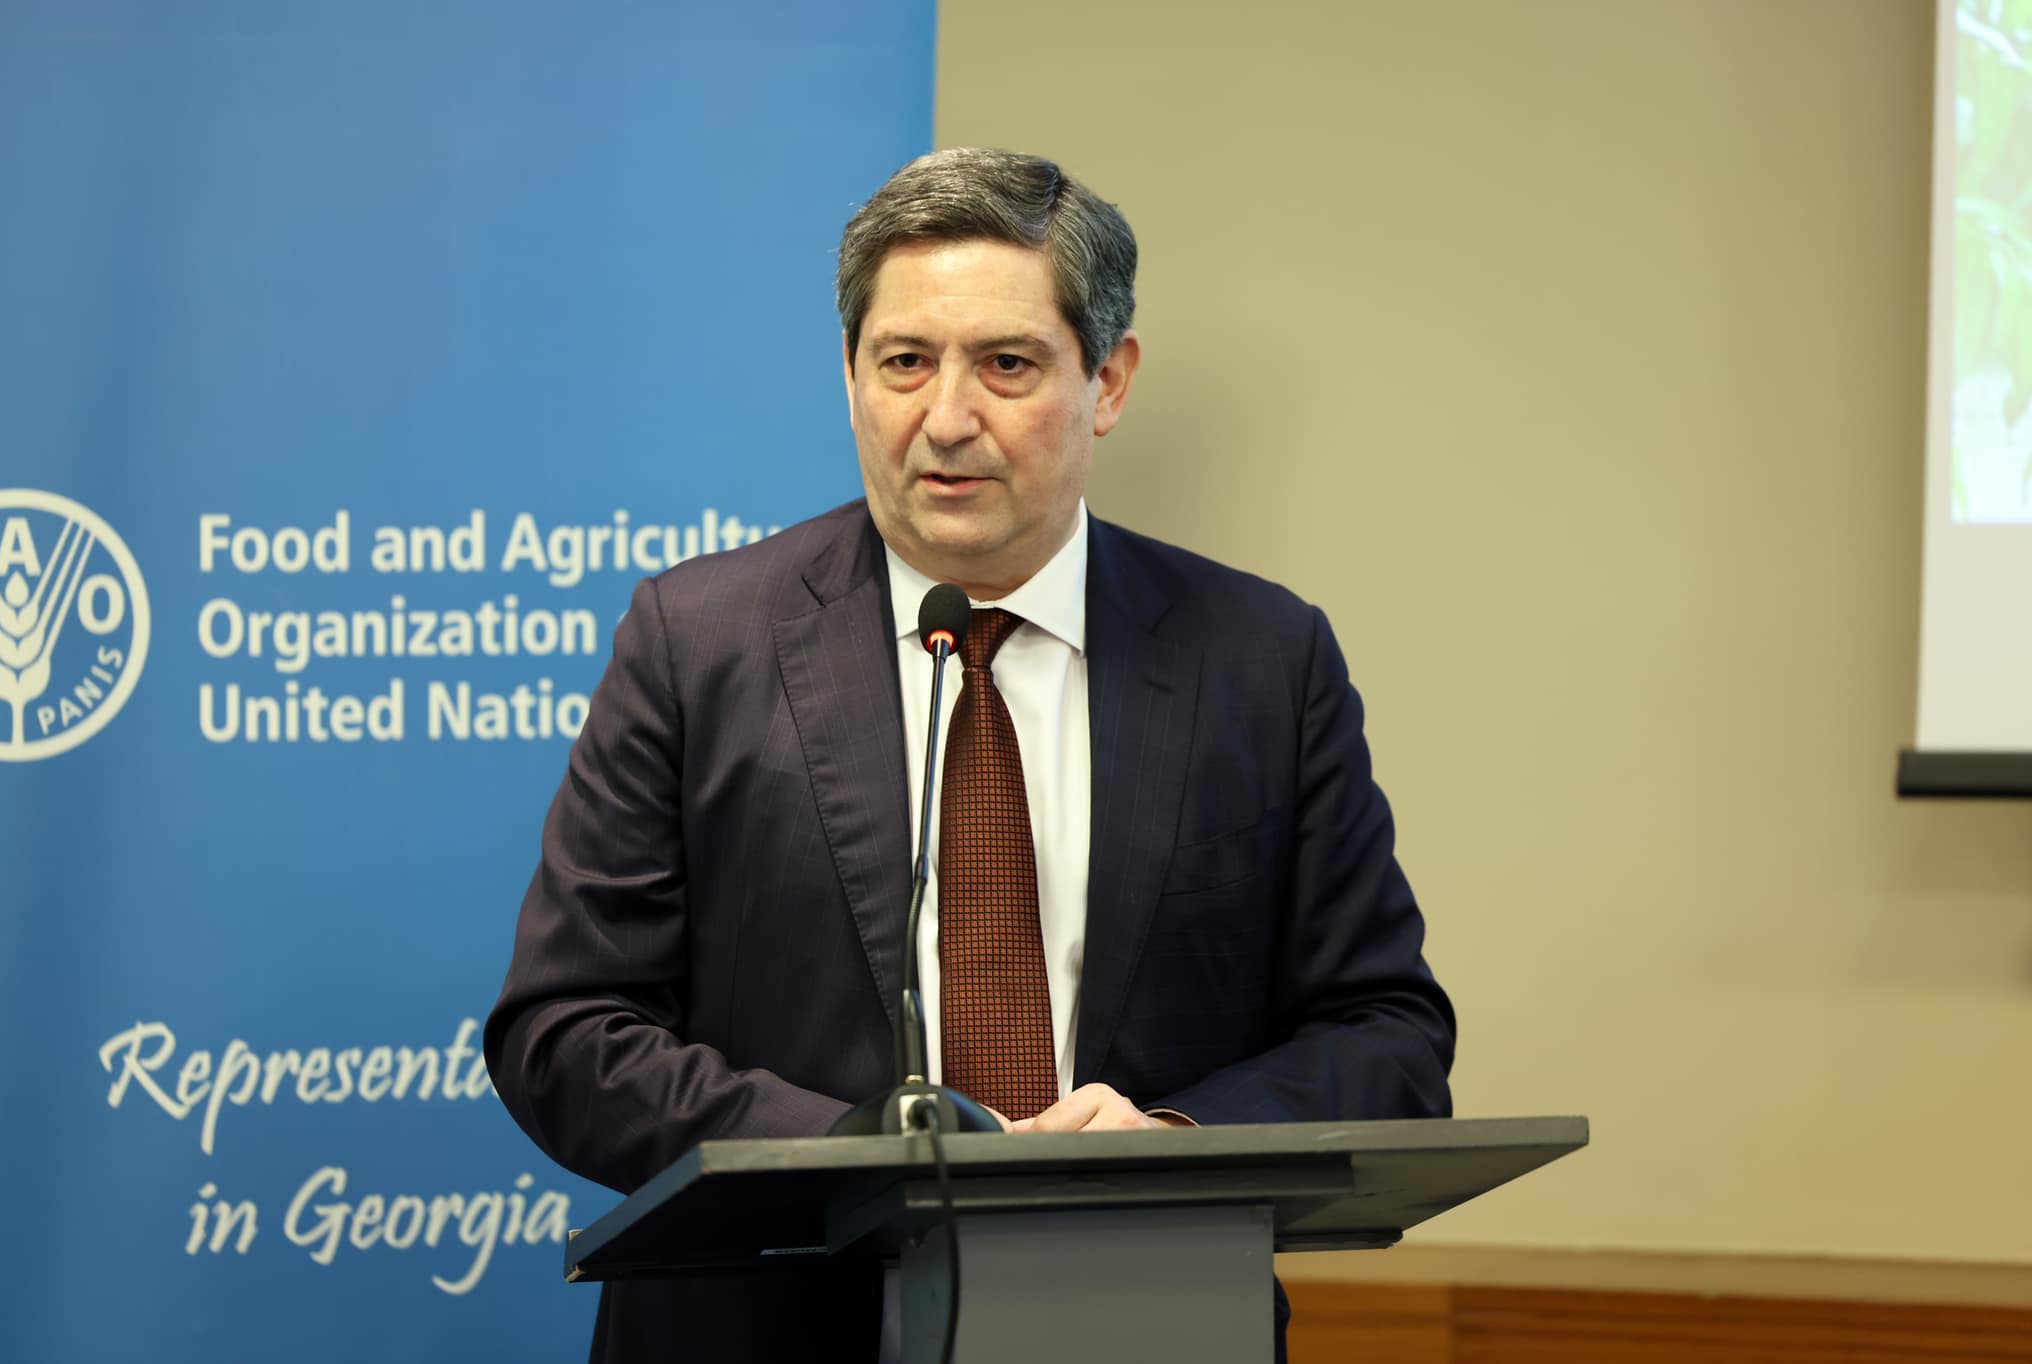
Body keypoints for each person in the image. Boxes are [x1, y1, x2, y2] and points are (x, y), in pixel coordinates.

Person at [486, 147, 1456, 1364]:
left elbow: (1385, 1031)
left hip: (1147, 1314)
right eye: (904, 361)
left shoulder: (1260, 658)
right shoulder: (697, 640)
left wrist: (1177, 1135)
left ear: (1108, 380)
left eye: (1006, 364)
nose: (946, 419)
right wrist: (859, 1152)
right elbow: (565, 1029)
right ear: (849, 374)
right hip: (767, 1321)